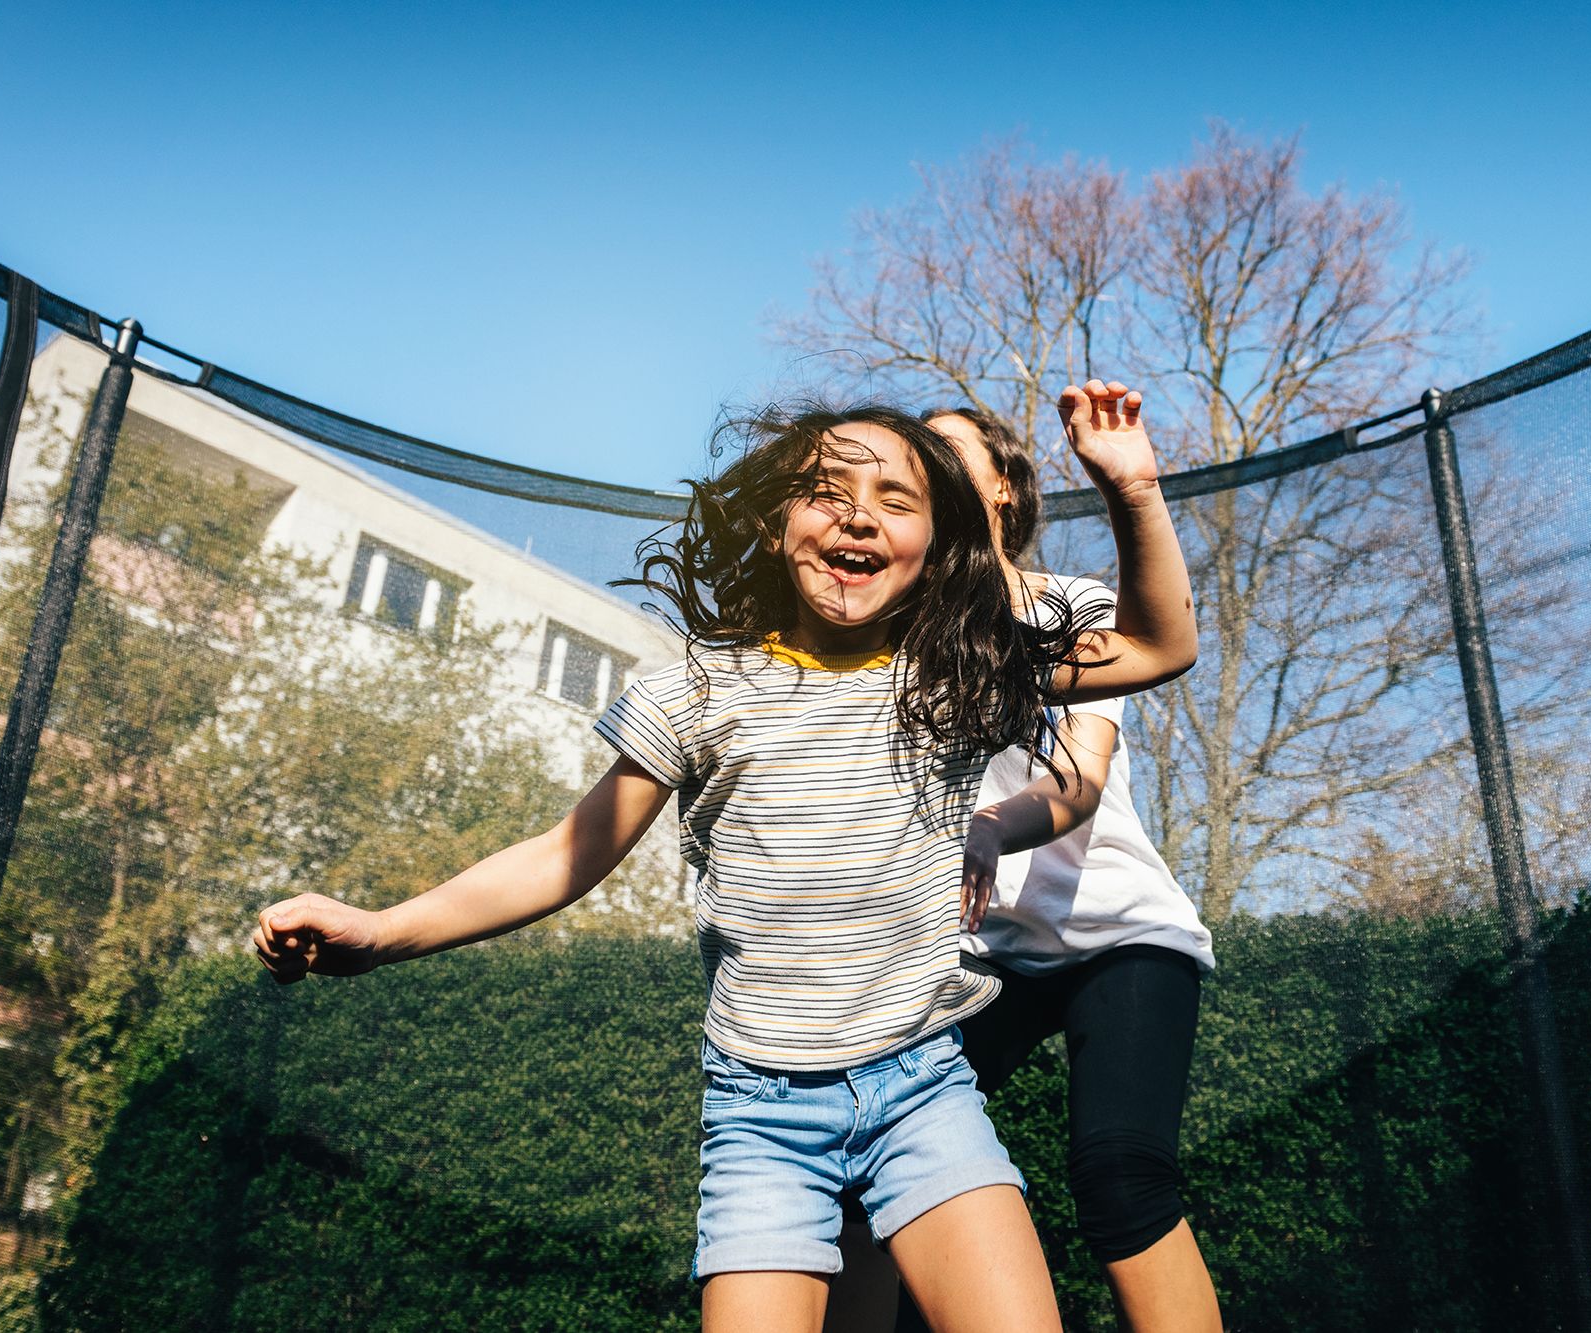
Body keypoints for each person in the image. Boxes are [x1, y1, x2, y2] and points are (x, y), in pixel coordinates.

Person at [252, 381, 1196, 1333]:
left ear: (938, 546)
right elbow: (560, 857)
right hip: (763, 1119)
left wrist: (1133, 489)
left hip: (922, 1093)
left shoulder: (957, 671)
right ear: (776, 518)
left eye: (897, 500)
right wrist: (380, 930)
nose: (859, 516)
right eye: (829, 491)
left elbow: (1163, 644)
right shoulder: (695, 693)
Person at [829, 408, 1221, 1333]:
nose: (927, 465)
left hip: (1120, 933)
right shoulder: (897, 641)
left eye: (948, 450)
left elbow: (1078, 781)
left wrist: (990, 829)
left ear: (1006, 485)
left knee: (1119, 1167)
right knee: (873, 1165)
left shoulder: (1069, 608)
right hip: (989, 953)